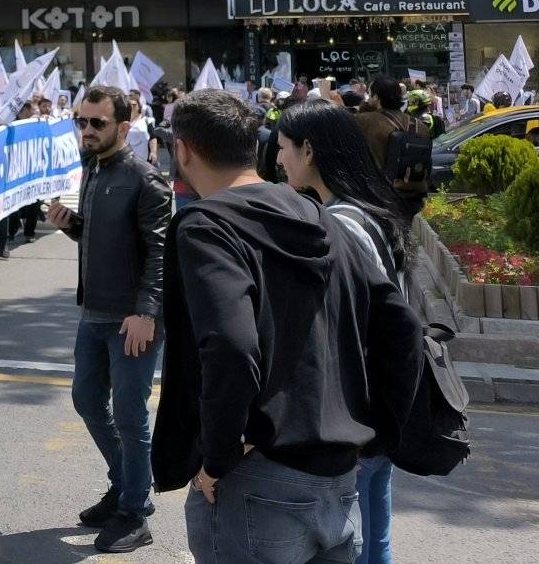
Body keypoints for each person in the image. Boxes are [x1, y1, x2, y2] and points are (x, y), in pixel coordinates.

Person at [152, 91, 423, 564]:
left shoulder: (207, 225)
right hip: (336, 477)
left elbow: (232, 348)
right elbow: (402, 327)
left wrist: (215, 460)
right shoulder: (316, 213)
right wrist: (377, 431)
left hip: (257, 483)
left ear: (184, 150)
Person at [275, 103, 415, 564]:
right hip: (381, 407)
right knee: (375, 540)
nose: (278, 159)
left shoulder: (341, 224)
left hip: (362, 407)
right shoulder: (369, 211)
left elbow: (364, 324)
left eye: (284, 148)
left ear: (309, 151)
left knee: (354, 544)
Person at [45, 87, 169, 555]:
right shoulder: (92, 169)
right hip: (94, 311)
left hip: (131, 318)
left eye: (98, 122)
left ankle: (135, 512)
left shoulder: (145, 179)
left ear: (124, 126)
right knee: (87, 400)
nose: (88, 130)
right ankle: (126, 485)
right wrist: (71, 225)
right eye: (82, 121)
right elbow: (102, 237)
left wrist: (146, 312)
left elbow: (159, 252)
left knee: (130, 413)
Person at [353, 76, 431, 219]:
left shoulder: (366, 121)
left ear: (376, 97)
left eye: (369, 93)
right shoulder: (419, 125)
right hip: (415, 194)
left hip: (383, 196)